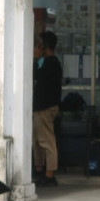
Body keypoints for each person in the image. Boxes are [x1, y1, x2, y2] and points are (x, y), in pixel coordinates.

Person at [33, 31, 63, 187]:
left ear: (43, 46)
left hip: (45, 108)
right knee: (39, 141)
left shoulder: (51, 63)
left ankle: (49, 174)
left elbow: (34, 75)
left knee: (47, 141)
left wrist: (35, 59)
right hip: (42, 108)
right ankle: (41, 170)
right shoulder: (50, 63)